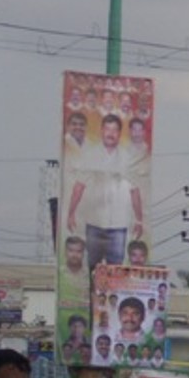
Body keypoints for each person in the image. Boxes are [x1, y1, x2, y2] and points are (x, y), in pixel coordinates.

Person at [65, 113, 145, 273]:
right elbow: (78, 187)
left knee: (115, 271)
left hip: (118, 225)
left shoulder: (127, 158)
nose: (110, 133)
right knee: (93, 269)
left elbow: (135, 191)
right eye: (107, 129)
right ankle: (92, 298)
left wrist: (139, 220)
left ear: (119, 134)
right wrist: (71, 213)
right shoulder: (90, 155)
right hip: (94, 224)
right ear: (101, 131)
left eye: (114, 130)